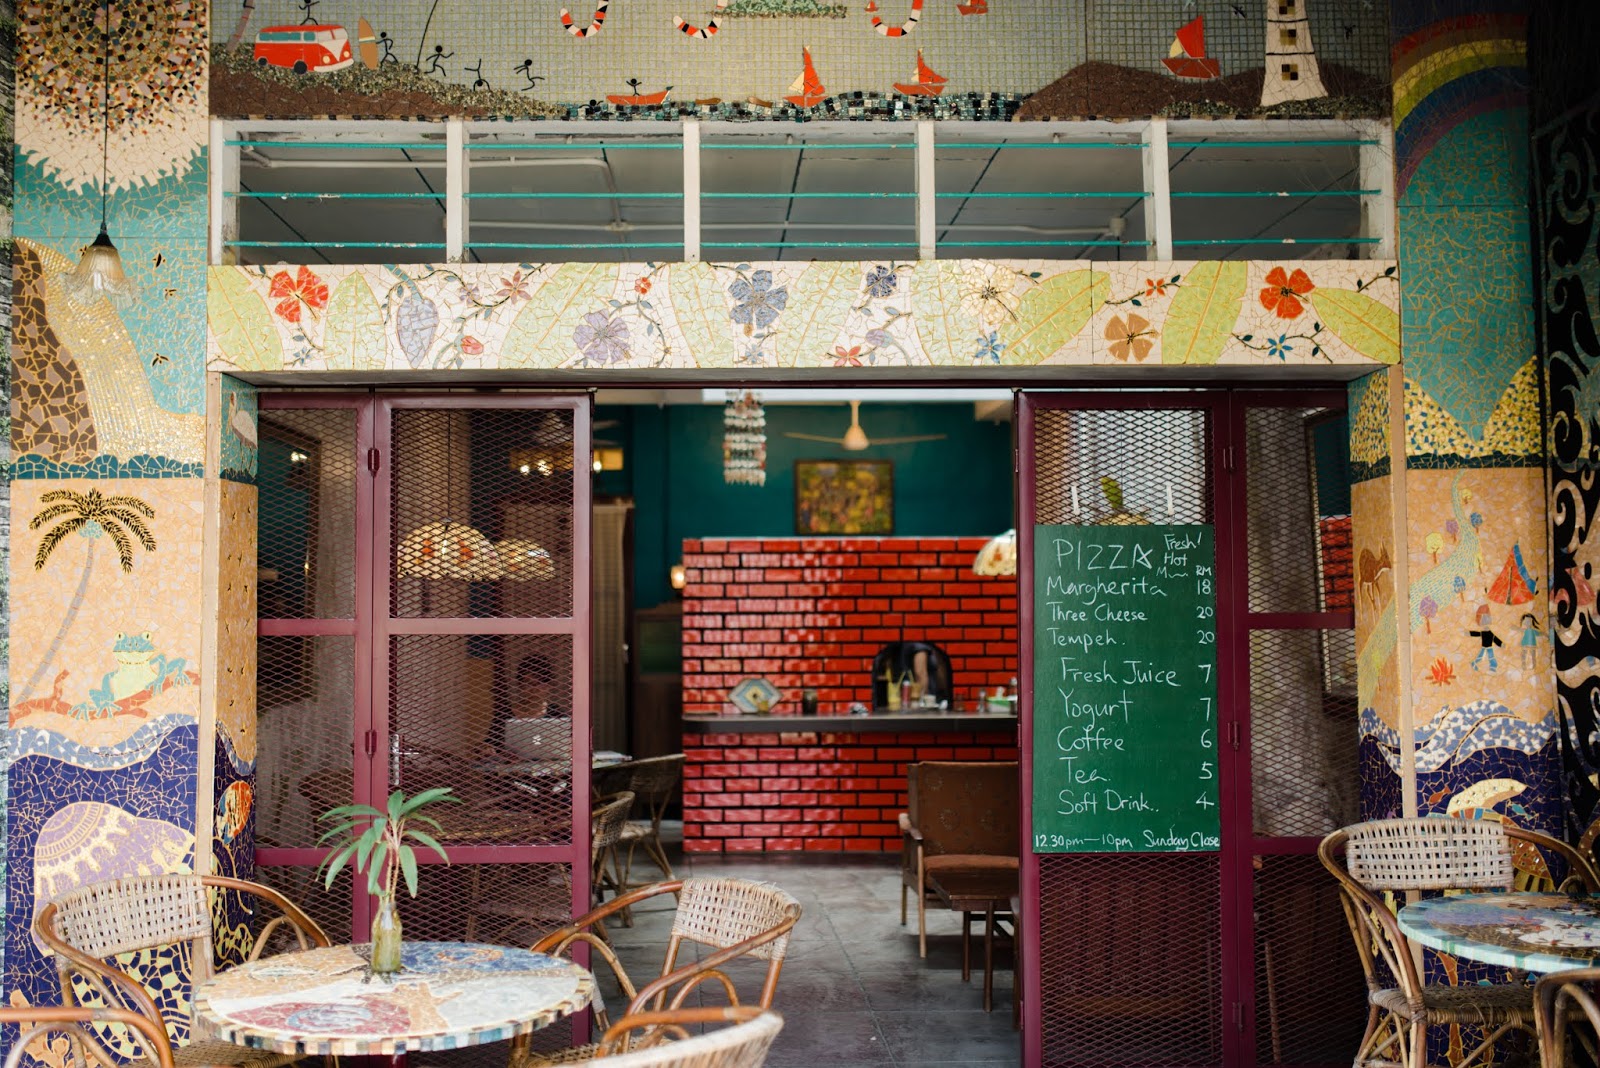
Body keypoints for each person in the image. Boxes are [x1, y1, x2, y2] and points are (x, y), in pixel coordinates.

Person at [1469, 604, 1503, 673]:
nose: (1489, 618)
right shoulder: (1486, 632)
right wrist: (1501, 644)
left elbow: (1494, 638)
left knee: (1484, 657)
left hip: (1487, 647)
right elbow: (1494, 638)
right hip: (1486, 648)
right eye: (1487, 617)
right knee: (1485, 657)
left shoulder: (1487, 632)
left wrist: (1501, 644)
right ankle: (1491, 667)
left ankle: (1491, 667)